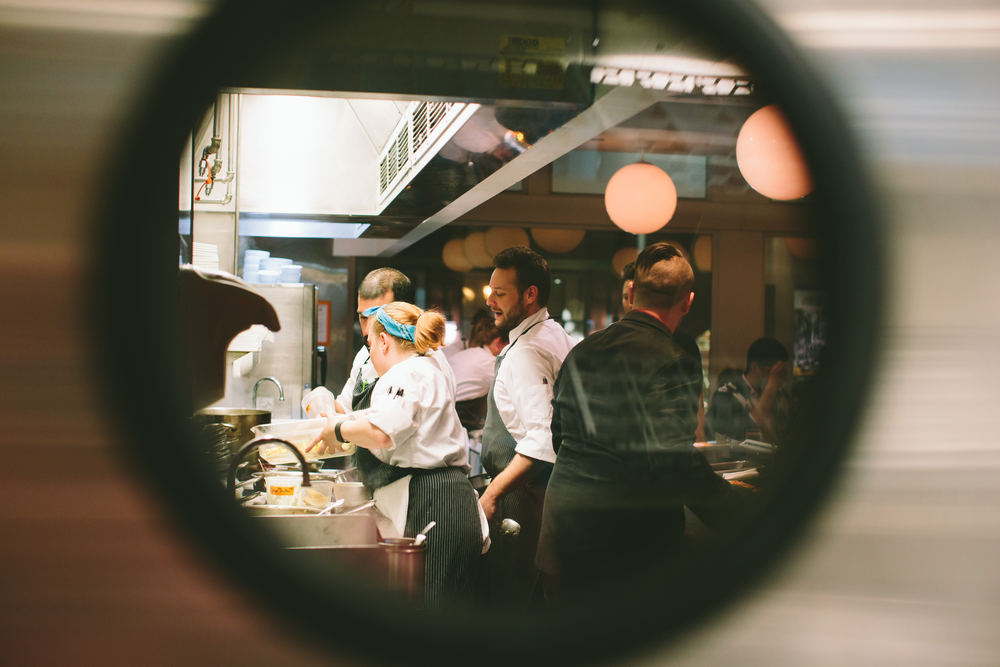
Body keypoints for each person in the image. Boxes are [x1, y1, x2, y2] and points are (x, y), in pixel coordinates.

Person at [536, 242, 736, 599]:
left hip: (566, 522)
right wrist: (739, 514)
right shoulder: (675, 360)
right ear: (687, 302)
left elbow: (559, 434)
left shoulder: (583, 350)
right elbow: (675, 462)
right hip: (627, 535)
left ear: (631, 292)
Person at [308, 302, 485, 608]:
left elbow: (381, 432)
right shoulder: (425, 366)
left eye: (369, 344)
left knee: (434, 614)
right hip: (443, 499)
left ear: (384, 341)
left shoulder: (406, 374)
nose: (370, 354)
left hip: (437, 502)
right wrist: (340, 425)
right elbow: (381, 421)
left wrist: (337, 429)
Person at [479, 245, 576, 607]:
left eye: (500, 294)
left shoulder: (527, 351)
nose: (490, 301)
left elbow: (542, 440)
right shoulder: (553, 332)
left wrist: (491, 495)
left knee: (520, 605)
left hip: (528, 496)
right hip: (550, 494)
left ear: (530, 294)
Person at [622, 260, 707, 441]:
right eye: (625, 297)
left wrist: (700, 441)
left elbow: (696, 406)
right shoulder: (613, 342)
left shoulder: (683, 345)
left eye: (636, 297)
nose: (630, 304)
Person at [334, 267, 416, 415]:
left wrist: (341, 426)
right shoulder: (364, 355)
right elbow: (345, 409)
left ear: (403, 311)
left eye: (378, 317)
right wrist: (324, 403)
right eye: (363, 318)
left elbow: (385, 427)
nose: (367, 331)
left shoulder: (420, 363)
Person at [706, 337, 789, 443]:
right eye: (771, 372)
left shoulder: (780, 396)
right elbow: (738, 438)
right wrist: (771, 387)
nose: (776, 377)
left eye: (779, 373)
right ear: (754, 367)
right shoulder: (726, 394)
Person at [449, 318, 507, 431]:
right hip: (459, 414)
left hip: (443, 408)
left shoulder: (467, 353)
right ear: (499, 342)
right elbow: (508, 392)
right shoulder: (490, 362)